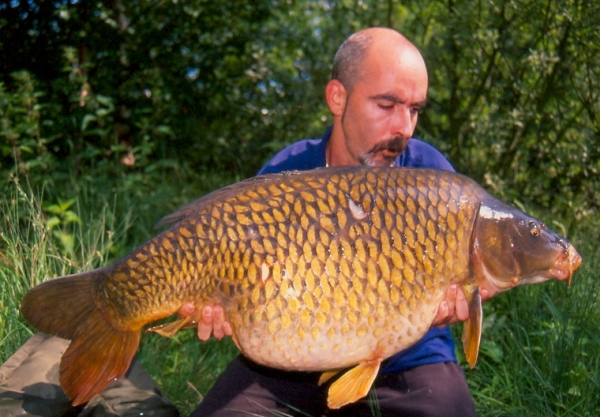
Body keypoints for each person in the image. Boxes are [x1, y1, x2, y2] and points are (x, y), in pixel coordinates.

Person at [183, 27, 488, 417]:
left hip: (407, 361)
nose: (404, 129)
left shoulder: (431, 177)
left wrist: (451, 302)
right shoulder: (287, 173)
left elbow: (475, 274)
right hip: (292, 359)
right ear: (338, 97)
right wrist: (219, 306)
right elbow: (236, 273)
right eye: (386, 106)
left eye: (414, 110)